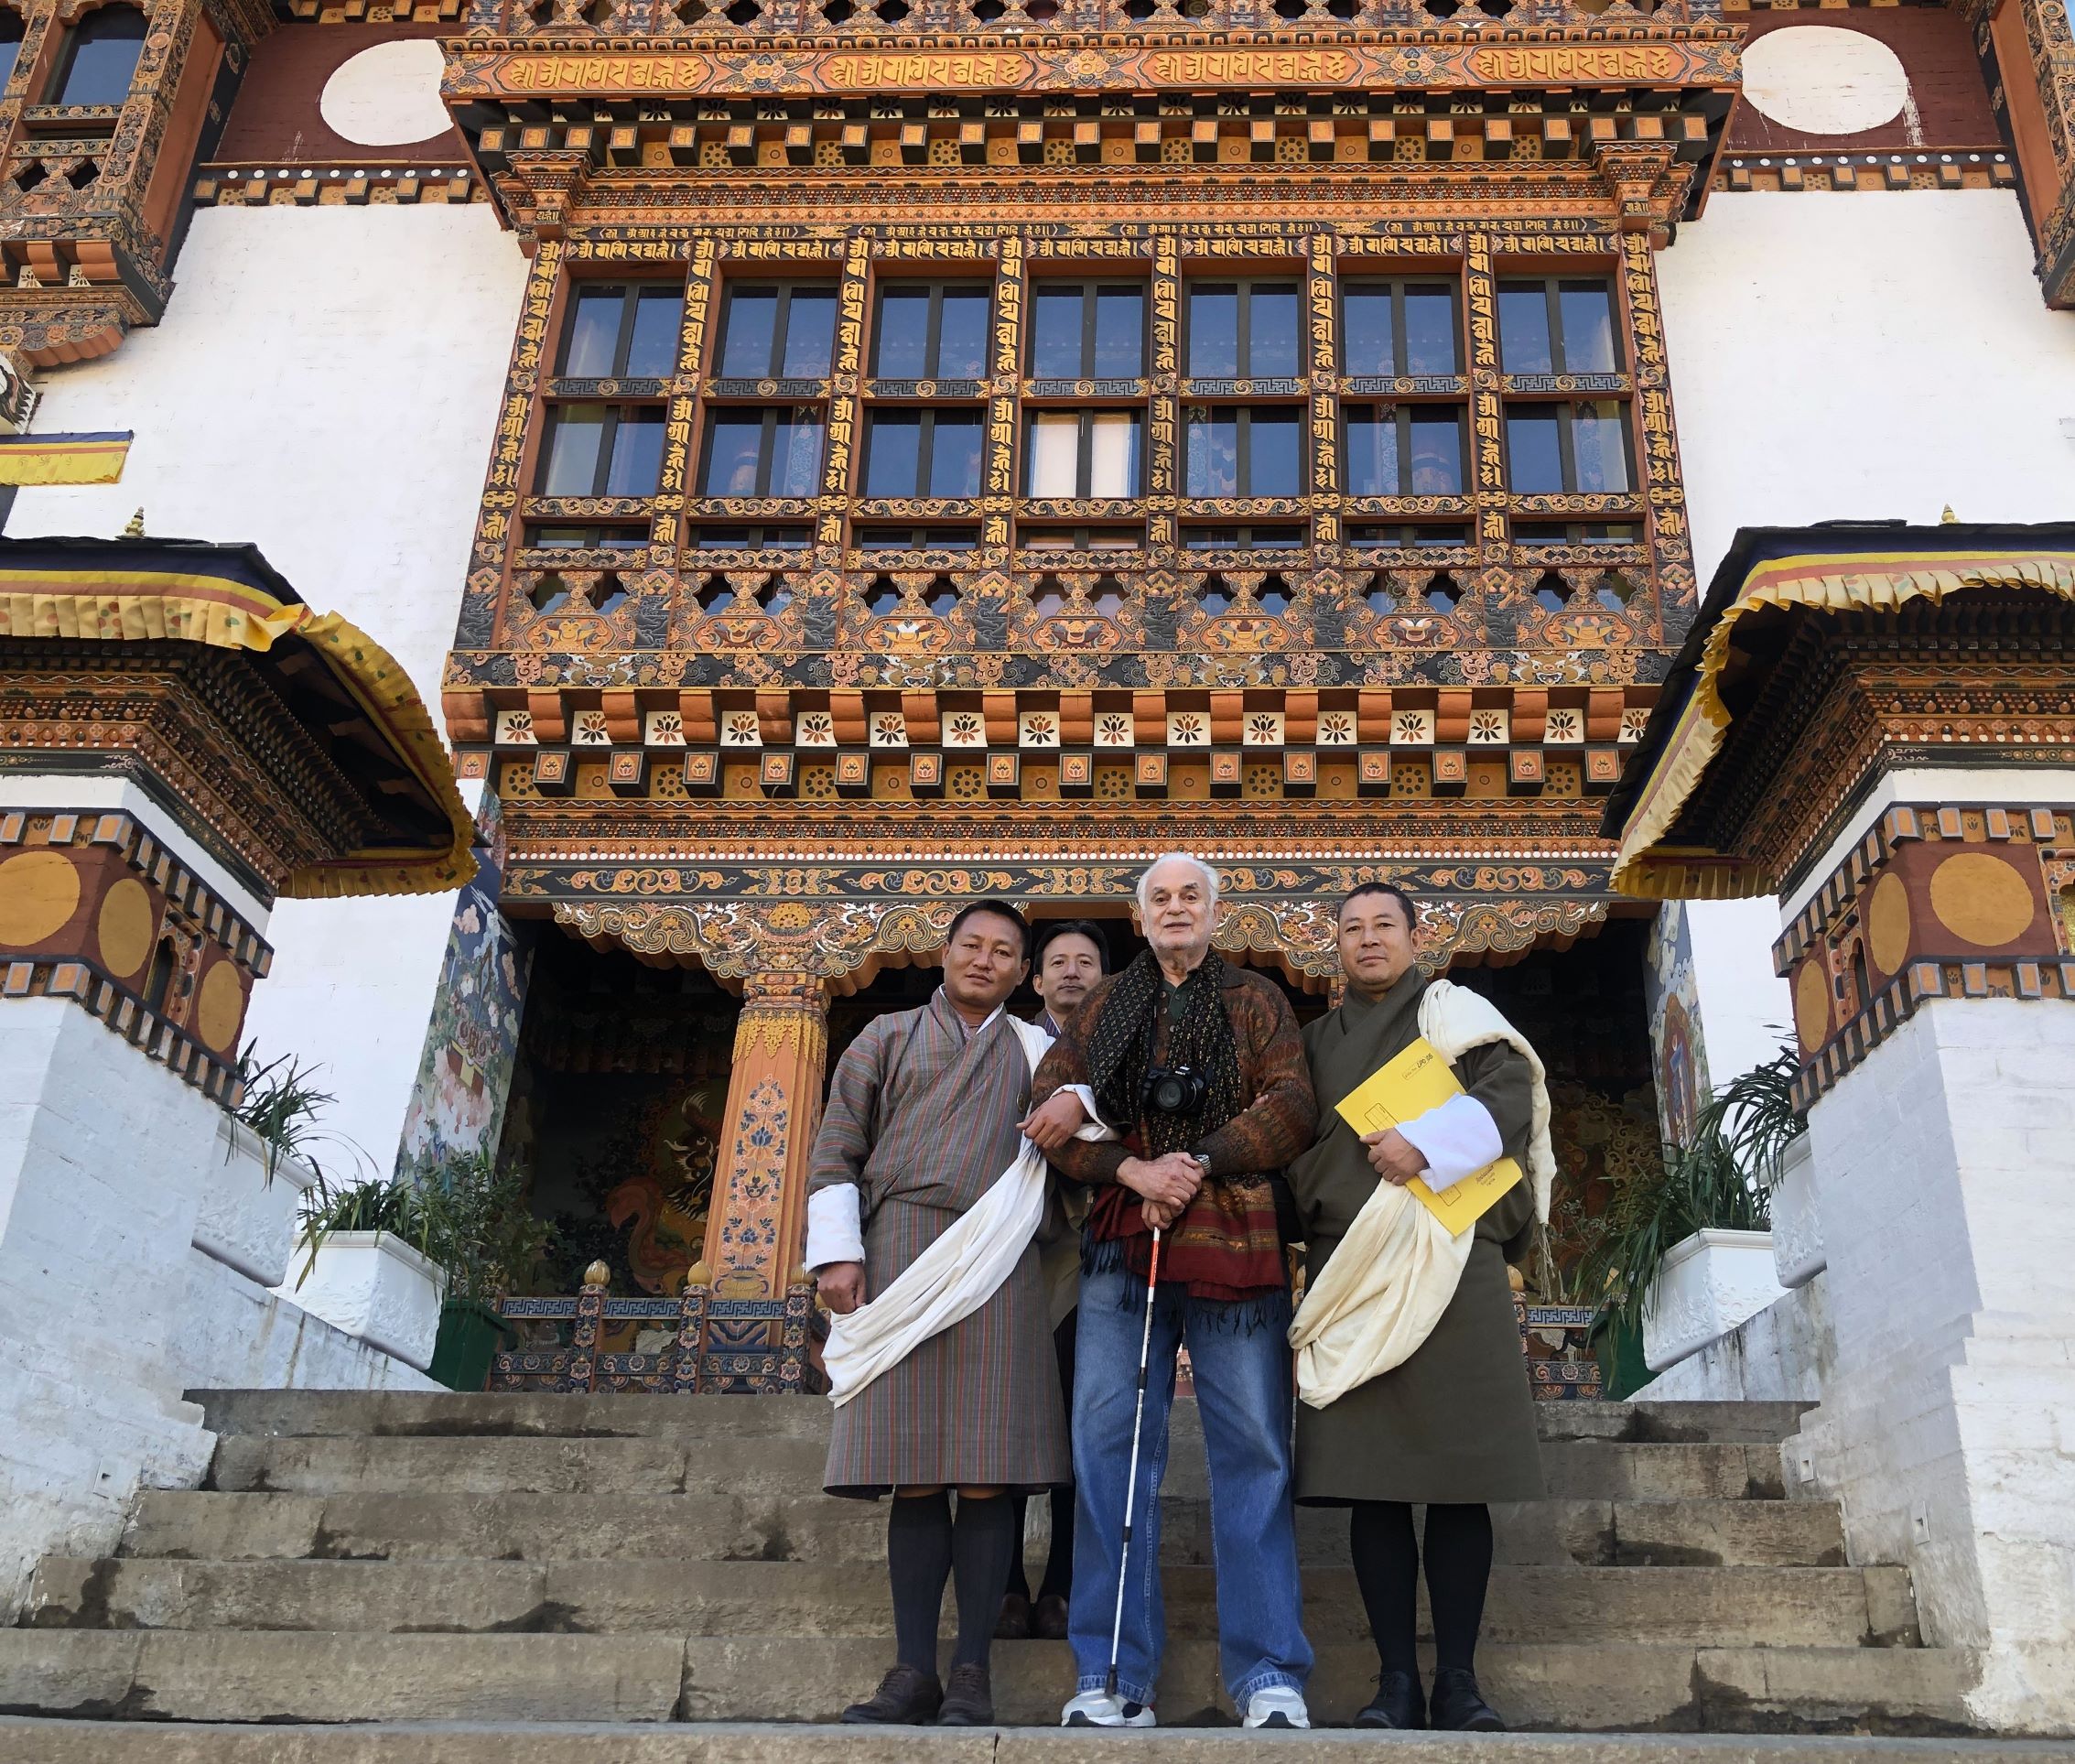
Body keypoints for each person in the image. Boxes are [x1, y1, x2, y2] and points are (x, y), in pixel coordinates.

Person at [1033, 855, 1319, 1730]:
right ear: (1139, 913)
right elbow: (1048, 1105)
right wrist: (1129, 1166)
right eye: (1159, 897)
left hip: (1236, 1238)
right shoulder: (1103, 1004)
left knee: (1255, 1449)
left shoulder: (1256, 997)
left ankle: (1269, 1671)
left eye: (1189, 895)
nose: (1175, 908)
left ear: (1213, 909)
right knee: (1109, 1449)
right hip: (1128, 1245)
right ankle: (1112, 1672)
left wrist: (1193, 1162)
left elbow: (1293, 1105)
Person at [805, 899, 1099, 1726]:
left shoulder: (1041, 1047)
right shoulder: (885, 1037)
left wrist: (1078, 1105)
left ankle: (971, 1670)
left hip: (1000, 1256)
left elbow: (1090, 1126)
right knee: (918, 1469)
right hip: (898, 1245)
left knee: (984, 1469)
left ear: (1021, 972)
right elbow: (836, 1148)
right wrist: (836, 1249)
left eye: (1004, 951)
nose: (985, 960)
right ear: (944, 953)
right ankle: (910, 1669)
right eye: (972, 945)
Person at [1284, 882, 1552, 1733]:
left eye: (1382, 926)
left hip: (1449, 1250)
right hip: (1355, 1266)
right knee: (1374, 1486)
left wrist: (1423, 1143)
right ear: (1336, 944)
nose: (1368, 941)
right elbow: (1286, 1135)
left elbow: (1510, 1099)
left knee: (1458, 1481)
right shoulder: (1312, 1040)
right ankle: (1395, 1679)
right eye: (1352, 929)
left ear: (1414, 935)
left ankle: (1460, 1680)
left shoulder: (1456, 1015)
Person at [999, 920, 1109, 1643]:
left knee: (1084, 1421)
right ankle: (1005, 1580)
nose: (1070, 973)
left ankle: (1065, 1581)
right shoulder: (1007, 1046)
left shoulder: (1124, 1041)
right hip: (1008, 1255)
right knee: (1002, 1419)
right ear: (1033, 980)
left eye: (1086, 963)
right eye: (1056, 963)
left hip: (1098, 1253)